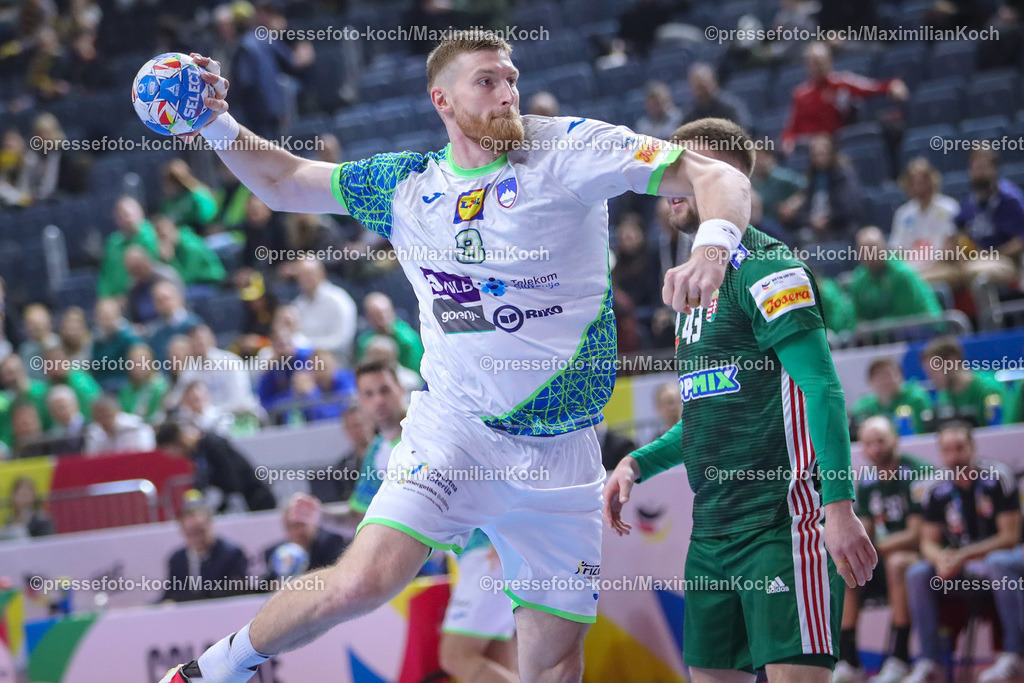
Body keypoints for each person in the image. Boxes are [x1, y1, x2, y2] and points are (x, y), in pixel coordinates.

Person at [161, 31, 749, 683]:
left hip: (565, 452)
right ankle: (210, 670)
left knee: (554, 665)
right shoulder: (407, 185)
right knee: (362, 582)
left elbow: (714, 173)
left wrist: (713, 246)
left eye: (511, 79)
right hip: (458, 432)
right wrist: (214, 123)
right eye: (487, 81)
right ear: (441, 98)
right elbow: (284, 180)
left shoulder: (565, 148)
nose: (507, 94)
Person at [604, 118, 876, 683]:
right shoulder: (690, 287)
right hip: (711, 533)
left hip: (782, 526)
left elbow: (821, 388)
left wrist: (839, 508)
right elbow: (703, 416)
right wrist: (636, 462)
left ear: (725, 180)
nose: (671, 183)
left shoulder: (771, 269)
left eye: (689, 169)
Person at [903, 422, 1021, 683]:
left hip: (1006, 560)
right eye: (947, 450)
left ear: (973, 447)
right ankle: (929, 661)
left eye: (960, 448)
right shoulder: (935, 489)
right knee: (918, 572)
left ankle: (1013, 655)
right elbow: (928, 542)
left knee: (998, 562)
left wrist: (962, 555)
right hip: (959, 566)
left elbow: (1009, 538)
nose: (954, 456)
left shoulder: (998, 477)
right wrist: (941, 559)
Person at [833, 417, 933, 683]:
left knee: (897, 562)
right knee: (846, 566)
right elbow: (863, 529)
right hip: (882, 556)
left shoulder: (917, 472)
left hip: (920, 555)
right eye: (868, 443)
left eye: (880, 441)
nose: (875, 449)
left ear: (895, 439)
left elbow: (916, 534)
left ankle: (899, 658)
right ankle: (849, 661)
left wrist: (873, 548)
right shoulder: (867, 481)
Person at [781, 43, 908, 154]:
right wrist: (787, 141)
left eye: (821, 61)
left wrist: (892, 85)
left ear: (830, 62)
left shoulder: (842, 83)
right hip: (811, 150)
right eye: (814, 63)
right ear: (807, 66)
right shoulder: (800, 94)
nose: (818, 66)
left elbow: (872, 88)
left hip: (837, 145)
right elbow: (791, 128)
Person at [439, 530, 518, 683]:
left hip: (486, 562)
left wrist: (505, 537)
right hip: (494, 562)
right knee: (496, 661)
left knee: (455, 656)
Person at [155, 421, 276, 513]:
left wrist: (218, 505)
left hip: (257, 501)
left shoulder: (212, 444)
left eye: (169, 451)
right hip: (242, 504)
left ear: (177, 442)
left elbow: (233, 481)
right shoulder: (196, 455)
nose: (172, 456)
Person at [162, 494, 251, 602]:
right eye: (190, 533)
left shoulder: (231, 554)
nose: (197, 539)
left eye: (200, 532)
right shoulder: (177, 559)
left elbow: (232, 591)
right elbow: (170, 594)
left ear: (210, 525)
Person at [846, 227, 943, 324]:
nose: (870, 254)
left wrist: (871, 328)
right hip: (887, 334)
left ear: (884, 247)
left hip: (926, 327)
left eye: (873, 249)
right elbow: (858, 318)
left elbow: (903, 317)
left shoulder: (902, 274)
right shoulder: (858, 280)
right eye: (864, 250)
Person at [888, 158, 959, 276]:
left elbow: (951, 247)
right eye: (914, 181)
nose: (919, 185)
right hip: (911, 271)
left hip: (941, 268)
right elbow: (896, 251)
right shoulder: (903, 214)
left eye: (923, 180)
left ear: (932, 180)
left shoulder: (949, 208)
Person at [920, 336, 1006, 427]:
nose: (931, 378)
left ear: (952, 361)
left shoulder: (989, 389)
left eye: (933, 371)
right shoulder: (944, 395)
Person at [262, 495, 347, 582]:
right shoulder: (275, 553)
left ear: (313, 523)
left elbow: (336, 577)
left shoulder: (331, 543)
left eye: (300, 524)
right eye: (290, 526)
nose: (296, 532)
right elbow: (262, 587)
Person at [291, 259, 358, 363]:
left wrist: (310, 346)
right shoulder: (298, 304)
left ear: (321, 273)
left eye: (309, 274)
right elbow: (294, 337)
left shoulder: (339, 300)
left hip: (336, 361)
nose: (305, 279)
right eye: (301, 275)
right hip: (304, 362)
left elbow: (343, 340)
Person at [850, 358, 933, 436]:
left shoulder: (916, 399)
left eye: (889, 375)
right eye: (879, 377)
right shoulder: (863, 406)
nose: (885, 381)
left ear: (901, 376)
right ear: (870, 382)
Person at [97, 196, 160, 298]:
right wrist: (104, 298)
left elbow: (151, 267)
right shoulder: (113, 242)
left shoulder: (151, 235)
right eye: (120, 216)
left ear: (140, 213)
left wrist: (128, 296)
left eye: (127, 214)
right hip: (116, 299)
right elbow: (105, 274)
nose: (125, 219)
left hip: (146, 294)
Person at [354, 292, 424, 372]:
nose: (381, 318)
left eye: (384, 313)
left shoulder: (408, 341)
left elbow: (415, 374)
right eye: (375, 315)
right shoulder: (364, 342)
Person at [682, 63, 750, 130]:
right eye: (698, 88)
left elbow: (741, 132)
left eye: (704, 87)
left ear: (714, 83)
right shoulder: (689, 115)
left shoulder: (730, 108)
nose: (702, 92)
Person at [83, 394, 157, 455]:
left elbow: (146, 455)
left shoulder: (136, 427)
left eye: (107, 415)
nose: (103, 420)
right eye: (99, 417)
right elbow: (92, 459)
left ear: (116, 411)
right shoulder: (93, 433)